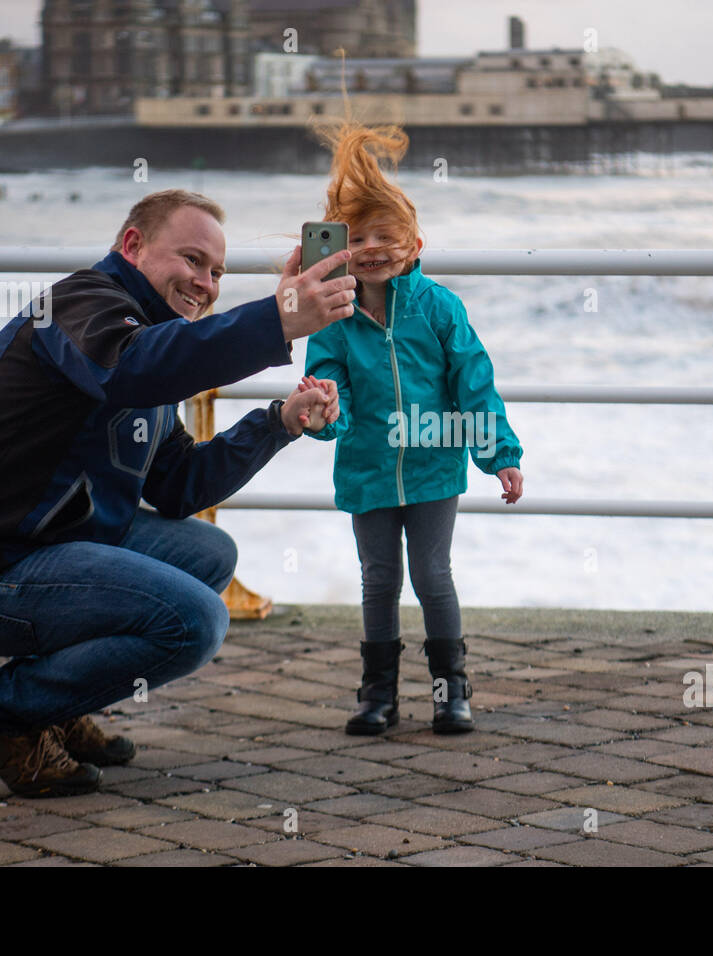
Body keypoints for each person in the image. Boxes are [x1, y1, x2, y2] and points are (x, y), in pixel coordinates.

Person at [0, 189, 353, 797]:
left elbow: (177, 486)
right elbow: (137, 366)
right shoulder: (82, 304)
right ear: (132, 245)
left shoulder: (149, 335)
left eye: (217, 272)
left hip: (46, 544)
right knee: (196, 620)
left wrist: (279, 422)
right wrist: (277, 319)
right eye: (192, 260)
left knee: (210, 555)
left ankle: (52, 708)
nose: (206, 284)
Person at [302, 121, 524, 736]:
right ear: (339, 247)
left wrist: (498, 453)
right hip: (368, 467)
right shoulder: (334, 315)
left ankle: (450, 690)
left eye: (386, 236)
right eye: (358, 237)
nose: (372, 247)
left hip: (433, 467)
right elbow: (329, 390)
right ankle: (377, 696)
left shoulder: (439, 308)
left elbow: (473, 384)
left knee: (432, 576)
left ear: (415, 244)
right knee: (378, 581)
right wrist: (324, 411)